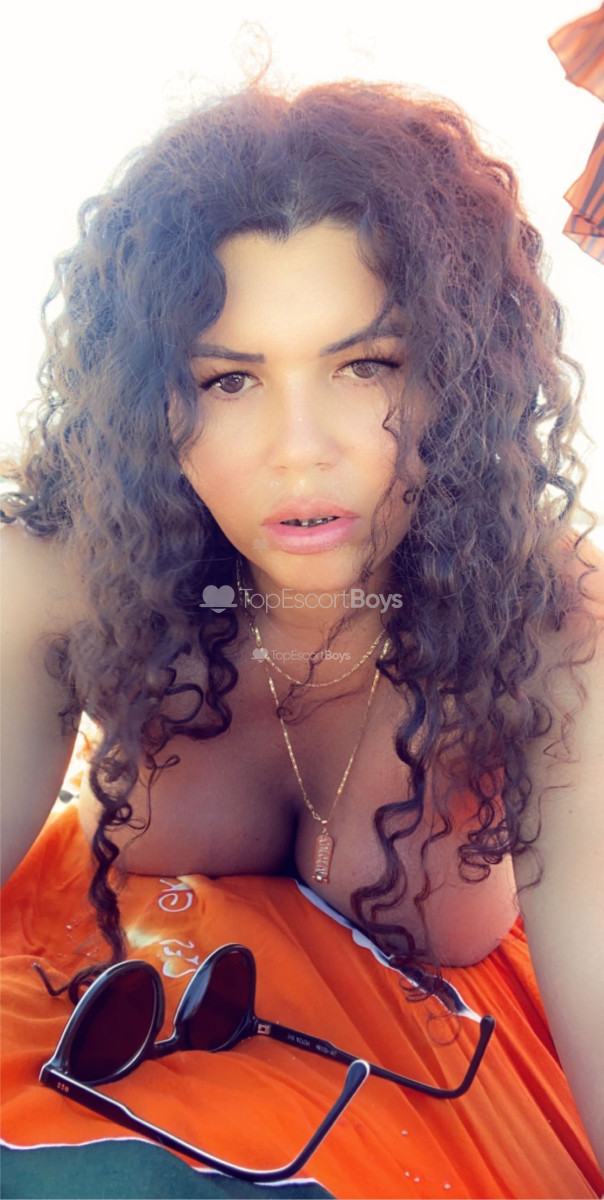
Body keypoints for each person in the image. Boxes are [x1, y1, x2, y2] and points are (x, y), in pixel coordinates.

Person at [1, 79, 603, 1185]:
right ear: (150, 399)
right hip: (85, 1027)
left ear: (461, 377)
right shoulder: (63, 568)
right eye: (228, 378)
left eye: (366, 365)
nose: (299, 451)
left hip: (433, 1097)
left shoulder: (557, 625)